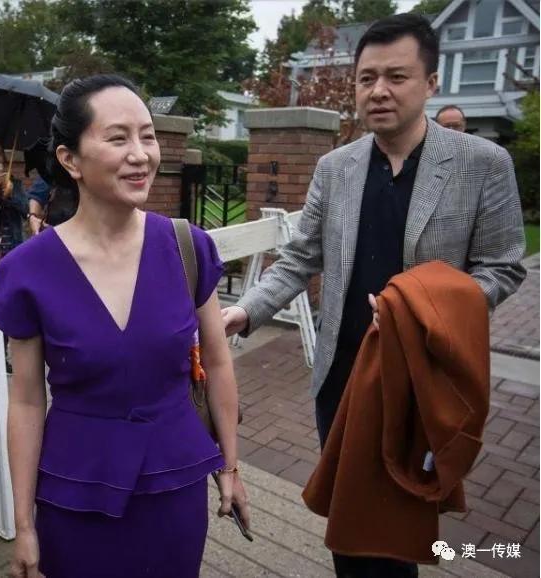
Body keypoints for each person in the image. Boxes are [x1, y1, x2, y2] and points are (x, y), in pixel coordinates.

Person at [222, 13, 525, 578]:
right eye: (367, 78)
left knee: (398, 529)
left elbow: (502, 268)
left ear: (430, 83)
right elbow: (300, 258)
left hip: (421, 379)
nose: (379, 90)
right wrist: (244, 311)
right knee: (350, 522)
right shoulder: (335, 167)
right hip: (342, 377)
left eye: (396, 76)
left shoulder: (482, 164)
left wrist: (425, 308)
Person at [0, 74, 249, 578]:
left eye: (147, 136)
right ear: (70, 160)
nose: (140, 154)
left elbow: (217, 361)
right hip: (73, 489)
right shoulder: (27, 270)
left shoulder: (188, 247)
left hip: (175, 483)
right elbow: (26, 399)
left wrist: (231, 468)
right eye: (118, 138)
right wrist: (22, 524)